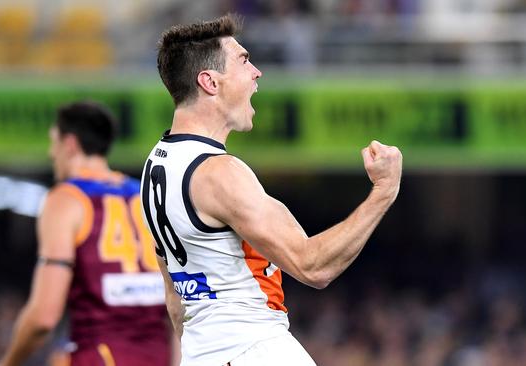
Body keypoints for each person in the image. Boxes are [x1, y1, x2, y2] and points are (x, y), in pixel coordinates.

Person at [141, 14, 402, 366]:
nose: (256, 72)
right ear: (210, 82)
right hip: (255, 347)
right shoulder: (220, 174)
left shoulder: (156, 165)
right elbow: (313, 267)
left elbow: (175, 296)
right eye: (244, 61)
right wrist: (384, 191)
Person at [0, 101, 176, 366]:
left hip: (100, 355)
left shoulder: (66, 200)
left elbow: (43, 318)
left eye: (54, 143)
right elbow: (178, 300)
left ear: (70, 144)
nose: (52, 153)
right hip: (160, 356)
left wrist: (7, 363)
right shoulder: (145, 195)